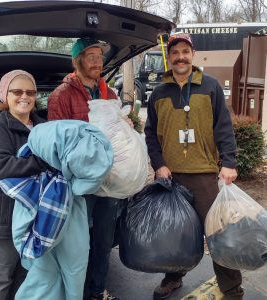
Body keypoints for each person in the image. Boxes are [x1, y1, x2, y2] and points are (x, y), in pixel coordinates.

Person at [144, 32, 244, 300]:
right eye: (175, 52)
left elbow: (223, 128)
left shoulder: (209, 86)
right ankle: (173, 277)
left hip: (204, 176)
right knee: (175, 233)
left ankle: (232, 290)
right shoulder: (159, 93)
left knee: (218, 234)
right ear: (170, 57)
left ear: (193, 55)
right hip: (170, 176)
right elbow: (151, 134)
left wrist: (230, 162)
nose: (180, 57)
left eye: (185, 52)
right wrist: (159, 164)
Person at [47, 37, 121, 300]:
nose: (97, 62)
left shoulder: (109, 93)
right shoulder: (61, 96)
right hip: (79, 184)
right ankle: (74, 292)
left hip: (109, 181)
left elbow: (118, 133)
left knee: (103, 242)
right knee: (77, 244)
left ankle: (98, 290)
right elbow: (56, 145)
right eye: (91, 57)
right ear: (77, 61)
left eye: (100, 57)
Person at [0, 70, 50, 300]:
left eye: (30, 92)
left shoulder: (43, 127)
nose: (24, 97)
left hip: (32, 222)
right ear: (4, 96)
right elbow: (1, 168)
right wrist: (41, 162)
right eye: (17, 91)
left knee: (24, 282)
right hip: (0, 223)